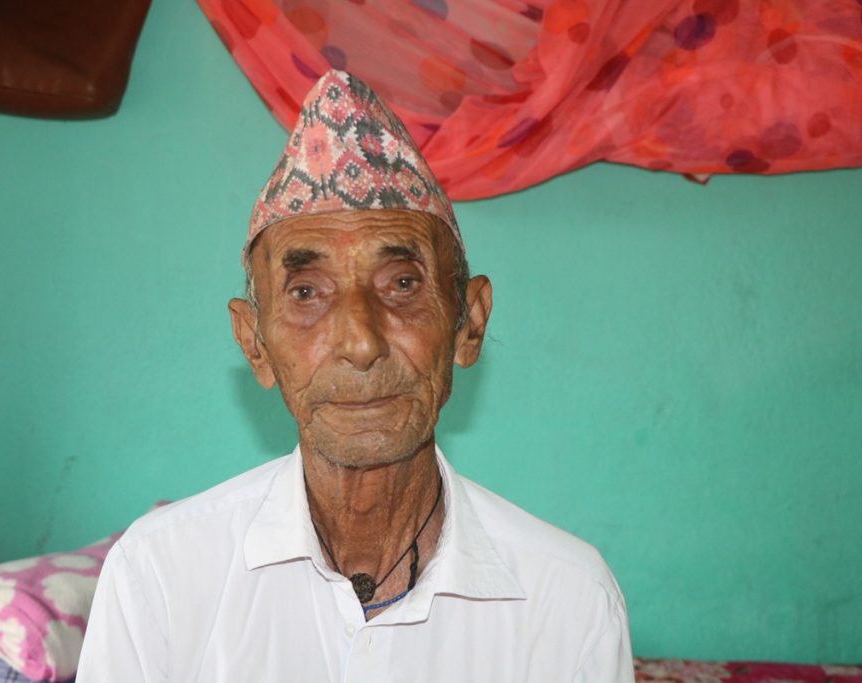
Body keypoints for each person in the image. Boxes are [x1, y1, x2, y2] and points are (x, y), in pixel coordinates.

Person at [77, 70, 634, 682]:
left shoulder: (568, 601)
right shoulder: (159, 576)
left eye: (402, 284)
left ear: (468, 324)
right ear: (255, 344)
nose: (361, 343)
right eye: (306, 292)